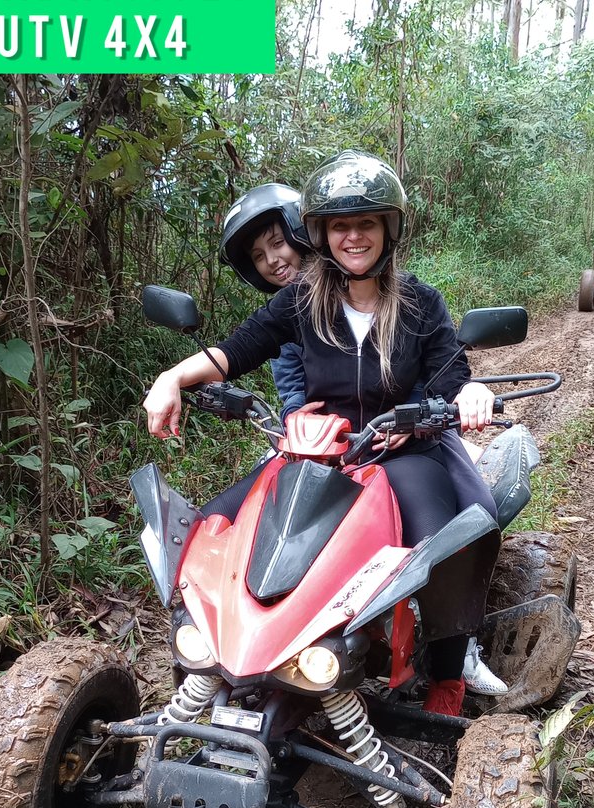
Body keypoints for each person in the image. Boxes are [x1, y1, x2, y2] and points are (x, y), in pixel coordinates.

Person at [145, 150, 506, 711]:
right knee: (215, 527)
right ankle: (218, 658)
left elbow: (452, 377)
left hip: (402, 448)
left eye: (366, 224)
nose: (353, 237)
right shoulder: (299, 302)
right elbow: (232, 353)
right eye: (340, 226)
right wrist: (171, 376)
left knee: (450, 538)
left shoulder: (421, 303)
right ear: (322, 233)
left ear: (389, 229)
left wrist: (470, 396)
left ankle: (448, 671)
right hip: (320, 452)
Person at [218, 183, 314, 421]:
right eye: (258, 256)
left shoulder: (353, 284)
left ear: (299, 234)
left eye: (278, 243)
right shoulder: (282, 316)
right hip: (325, 431)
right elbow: (292, 388)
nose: (271, 260)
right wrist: (295, 417)